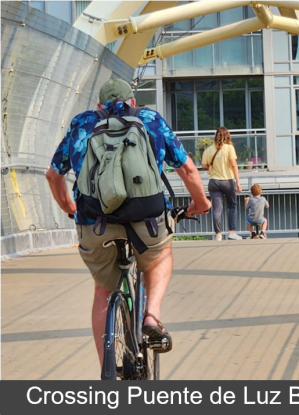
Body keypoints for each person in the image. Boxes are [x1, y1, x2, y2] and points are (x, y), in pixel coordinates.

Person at [46, 78, 211, 369]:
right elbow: (186, 168)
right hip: (146, 218)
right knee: (160, 257)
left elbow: (53, 175)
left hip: (94, 220)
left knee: (103, 289)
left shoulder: (82, 123)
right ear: (132, 102)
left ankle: (107, 372)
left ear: (99, 106)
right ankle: (151, 316)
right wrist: (201, 203)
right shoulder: (149, 120)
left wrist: (69, 208)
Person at [201, 126, 242, 241]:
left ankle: (218, 235)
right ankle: (232, 232)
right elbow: (233, 164)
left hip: (214, 181)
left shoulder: (208, 150)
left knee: (217, 209)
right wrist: (238, 182)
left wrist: (212, 166)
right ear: (227, 136)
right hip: (227, 181)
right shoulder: (229, 148)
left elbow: (204, 165)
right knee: (232, 205)